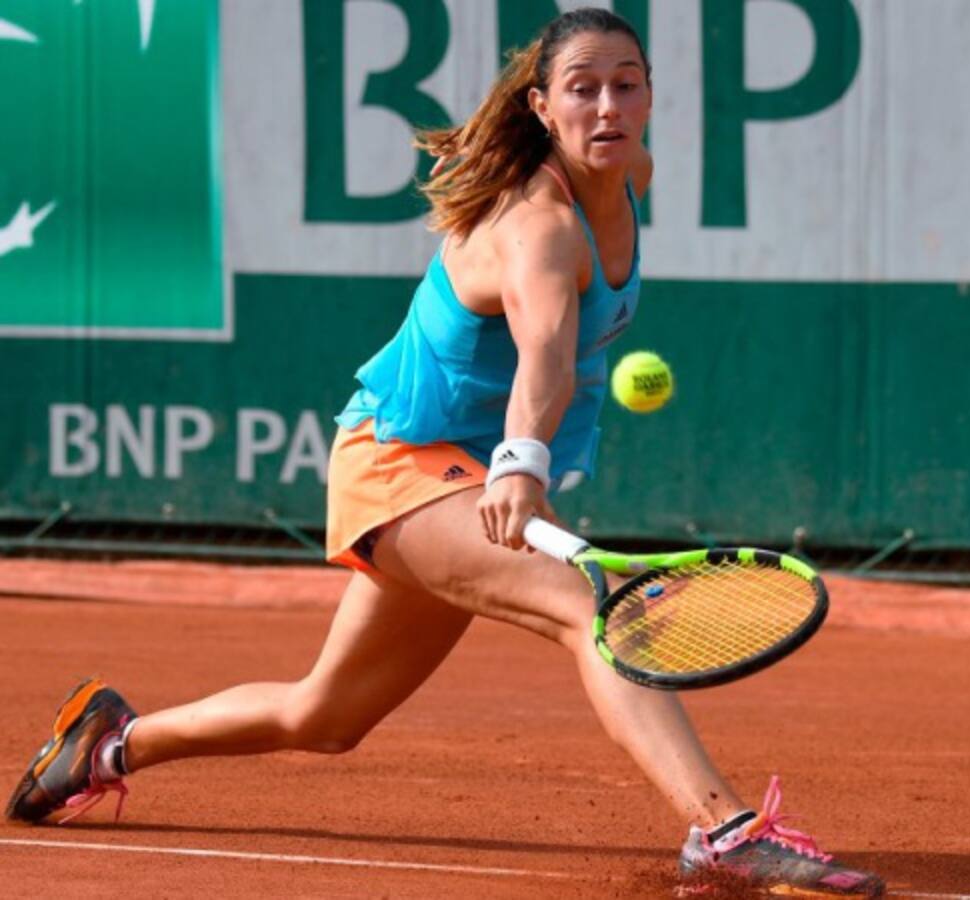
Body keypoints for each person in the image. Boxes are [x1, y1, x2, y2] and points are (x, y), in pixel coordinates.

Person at [5, 9, 884, 896]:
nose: (608, 106)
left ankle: (110, 739)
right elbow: (544, 351)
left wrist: (510, 463)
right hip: (399, 462)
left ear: (650, 93)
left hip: (463, 475)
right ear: (543, 107)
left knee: (327, 714)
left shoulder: (630, 177)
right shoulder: (537, 223)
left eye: (627, 84)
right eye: (583, 90)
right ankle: (723, 831)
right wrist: (522, 461)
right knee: (600, 611)